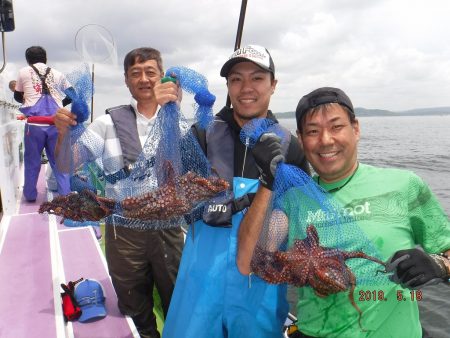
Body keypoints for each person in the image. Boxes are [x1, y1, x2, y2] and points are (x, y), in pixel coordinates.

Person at [237, 87, 450, 337]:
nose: (326, 140)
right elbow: (248, 262)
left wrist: (440, 265)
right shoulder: (293, 201)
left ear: (356, 128)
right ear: (301, 139)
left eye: (336, 127)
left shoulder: (405, 185)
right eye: (313, 131)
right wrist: (267, 182)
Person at [162, 45, 310, 338]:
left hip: (261, 286)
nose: (246, 88)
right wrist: (167, 115)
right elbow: (166, 184)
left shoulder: (290, 146)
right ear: (228, 86)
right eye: (236, 79)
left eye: (256, 78)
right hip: (200, 283)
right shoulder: (202, 135)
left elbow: (301, 216)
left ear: (273, 85)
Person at [54, 47, 184, 338]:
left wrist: (175, 110)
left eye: (151, 72)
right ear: (126, 81)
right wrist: (63, 133)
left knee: (177, 297)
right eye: (135, 73)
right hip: (122, 232)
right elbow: (65, 163)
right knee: (133, 303)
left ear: (162, 77)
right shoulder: (106, 123)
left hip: (169, 228)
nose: (144, 79)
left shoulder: (179, 122)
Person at [14, 46, 72, 201]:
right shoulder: (58, 74)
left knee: (32, 160)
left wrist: (27, 99)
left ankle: (31, 195)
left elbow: (17, 97)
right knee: (59, 161)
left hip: (34, 126)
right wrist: (61, 104)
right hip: (57, 125)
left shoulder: (23, 72)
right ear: (45, 58)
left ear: (28, 60)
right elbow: (73, 95)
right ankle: (65, 195)